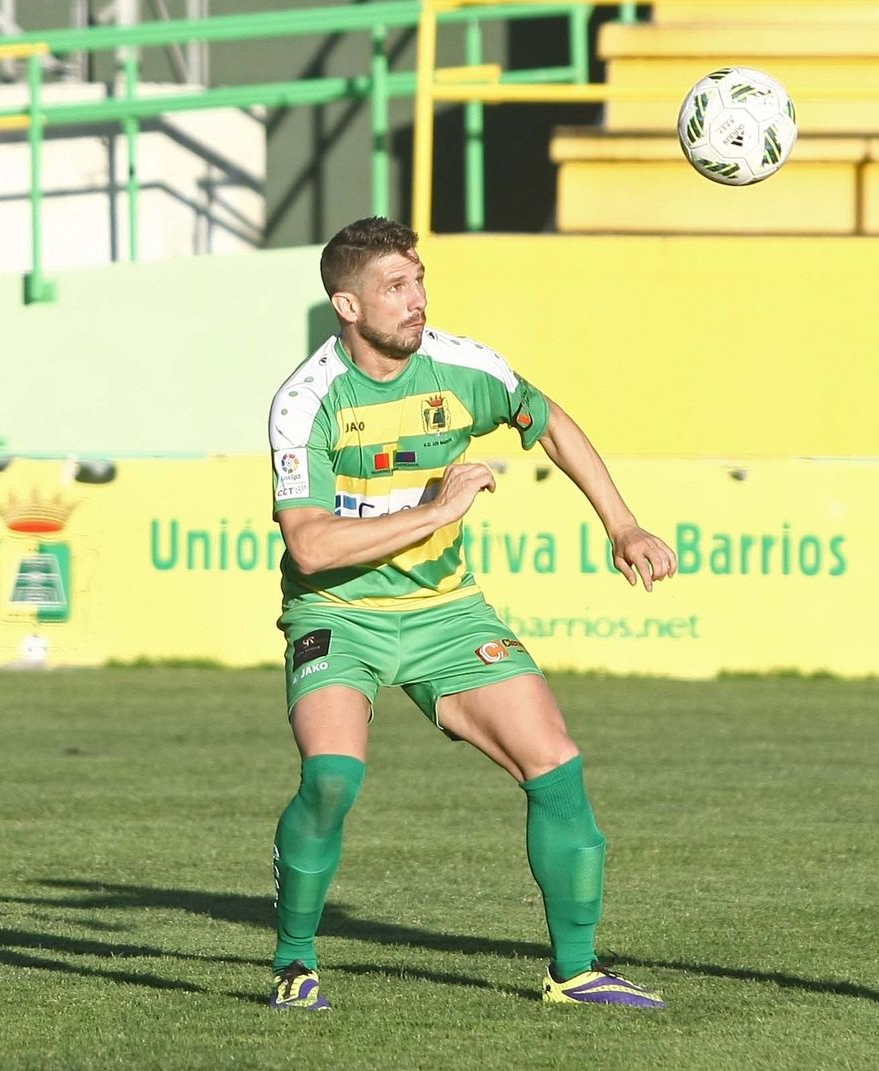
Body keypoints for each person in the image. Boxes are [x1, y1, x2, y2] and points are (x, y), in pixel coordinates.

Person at [264, 216, 676, 1012]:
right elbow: (311, 547)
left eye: (419, 279)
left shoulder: (462, 366)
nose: (416, 299)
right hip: (338, 613)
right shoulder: (306, 400)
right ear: (347, 306)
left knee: (556, 766)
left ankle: (576, 970)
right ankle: (293, 959)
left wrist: (622, 523)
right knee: (332, 776)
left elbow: (548, 419)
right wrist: (439, 510)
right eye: (395, 286)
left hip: (449, 612)